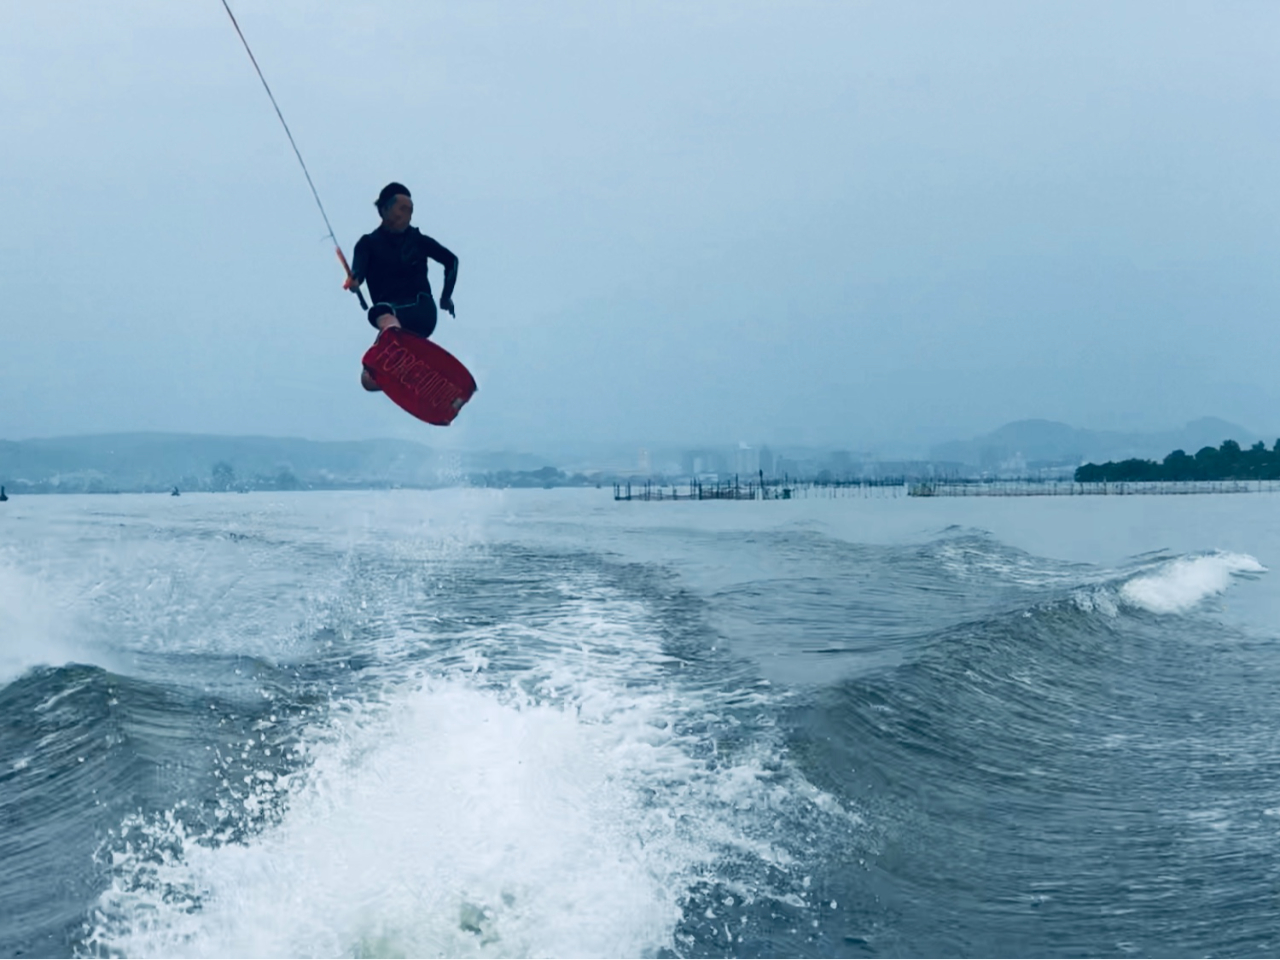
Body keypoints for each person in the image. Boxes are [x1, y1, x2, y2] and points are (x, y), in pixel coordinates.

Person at [348, 182, 459, 392]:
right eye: (402, 209)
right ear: (384, 209)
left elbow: (451, 261)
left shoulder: (418, 241)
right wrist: (354, 282)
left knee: (381, 312)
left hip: (420, 311)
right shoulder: (367, 244)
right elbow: (357, 273)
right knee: (368, 380)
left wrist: (446, 297)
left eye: (410, 211)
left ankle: (395, 341)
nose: (407, 216)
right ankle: (410, 371)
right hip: (391, 315)